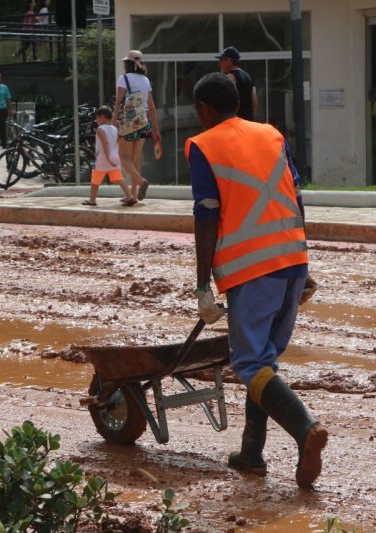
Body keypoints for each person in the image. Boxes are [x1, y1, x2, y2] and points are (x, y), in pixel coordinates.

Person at [186, 72, 326, 489]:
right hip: (292, 260)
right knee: (263, 362)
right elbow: (294, 197)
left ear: (202, 110)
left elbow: (206, 214)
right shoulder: (271, 135)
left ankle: (306, 430)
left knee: (249, 363)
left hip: (253, 269)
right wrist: (305, 264)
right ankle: (251, 454)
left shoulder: (203, 145)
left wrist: (201, 284)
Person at [111, 50, 161, 203]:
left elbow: (119, 101)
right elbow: (152, 107)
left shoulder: (123, 78)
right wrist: (156, 129)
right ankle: (133, 195)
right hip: (144, 121)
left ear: (127, 63)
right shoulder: (145, 80)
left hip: (130, 120)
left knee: (123, 157)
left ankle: (141, 181)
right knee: (135, 158)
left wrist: (114, 120)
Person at [82, 106, 136, 207]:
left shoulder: (100, 129)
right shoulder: (114, 129)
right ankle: (129, 197)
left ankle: (92, 200)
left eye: (97, 117)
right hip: (115, 156)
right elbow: (116, 142)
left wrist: (107, 157)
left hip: (104, 158)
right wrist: (112, 158)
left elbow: (105, 143)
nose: (96, 120)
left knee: (95, 180)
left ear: (102, 117)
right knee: (119, 178)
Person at [216, 47, 258, 121]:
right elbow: (255, 103)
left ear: (229, 61)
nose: (219, 64)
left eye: (221, 60)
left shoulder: (230, 77)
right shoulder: (247, 76)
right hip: (248, 122)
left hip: (237, 123)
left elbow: (229, 102)